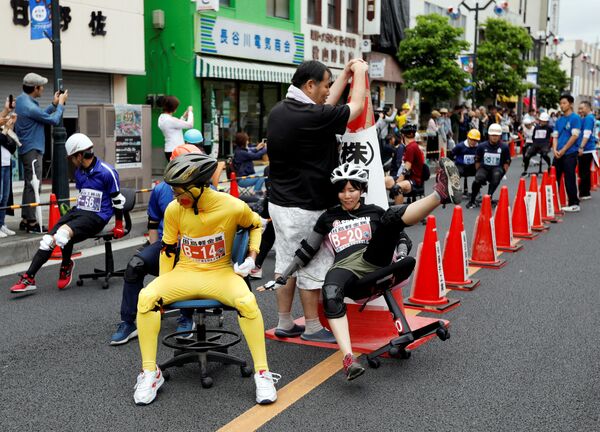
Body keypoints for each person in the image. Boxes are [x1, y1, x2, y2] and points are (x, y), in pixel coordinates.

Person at [263, 161, 461, 380]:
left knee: (390, 218)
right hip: (346, 267)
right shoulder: (328, 217)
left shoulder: (374, 212)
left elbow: (401, 236)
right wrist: (284, 276)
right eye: (342, 190)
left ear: (362, 190)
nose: (347, 196)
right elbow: (307, 249)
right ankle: (349, 359)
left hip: (374, 257)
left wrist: (402, 253)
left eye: (352, 190)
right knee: (330, 289)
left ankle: (440, 194)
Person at [132, 152, 279, 406]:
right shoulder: (174, 209)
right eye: (174, 191)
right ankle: (150, 373)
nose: (177, 197)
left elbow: (256, 224)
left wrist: (253, 257)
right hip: (185, 273)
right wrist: (164, 289)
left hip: (220, 273)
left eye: (180, 191)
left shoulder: (232, 205)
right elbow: (167, 249)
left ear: (200, 186)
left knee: (247, 301)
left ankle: (263, 373)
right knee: (146, 297)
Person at [266, 59, 369, 343]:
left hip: (280, 203)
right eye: (325, 85)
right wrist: (359, 72)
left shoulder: (281, 111)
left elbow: (323, 107)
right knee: (312, 263)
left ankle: (285, 322)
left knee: (286, 261)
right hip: (306, 206)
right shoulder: (310, 117)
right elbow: (356, 107)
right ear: (310, 85)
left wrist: (344, 75)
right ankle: (312, 326)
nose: (328, 91)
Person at [110, 145, 201, 346]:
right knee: (135, 265)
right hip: (166, 244)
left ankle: (186, 317)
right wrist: (157, 256)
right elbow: (153, 225)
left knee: (183, 269)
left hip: (195, 248)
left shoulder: (204, 189)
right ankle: (128, 322)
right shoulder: (160, 189)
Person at [10, 133, 124, 293]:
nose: (71, 161)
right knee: (48, 240)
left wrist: (119, 224)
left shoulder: (107, 172)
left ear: (79, 155)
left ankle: (65, 264)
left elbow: (118, 200)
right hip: (80, 210)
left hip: (98, 216)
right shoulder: (79, 172)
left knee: (63, 233)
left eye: (72, 157)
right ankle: (29, 278)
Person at [14, 72, 68, 233]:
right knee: (34, 185)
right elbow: (52, 120)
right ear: (35, 88)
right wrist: (60, 105)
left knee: (29, 184)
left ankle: (26, 218)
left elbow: (40, 116)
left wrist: (53, 104)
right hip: (32, 148)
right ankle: (31, 222)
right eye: (41, 86)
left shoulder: (23, 100)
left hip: (28, 147)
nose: (43, 89)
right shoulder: (29, 106)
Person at [465, 123, 511, 209]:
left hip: (497, 168)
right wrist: (478, 171)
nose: (494, 137)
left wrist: (503, 173)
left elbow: (507, 161)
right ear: (489, 135)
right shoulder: (482, 146)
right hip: (484, 168)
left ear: (500, 136)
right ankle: (472, 200)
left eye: (497, 135)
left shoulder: (504, 147)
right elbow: (477, 160)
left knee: (497, 175)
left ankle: (489, 196)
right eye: (492, 135)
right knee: (478, 179)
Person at [552, 94, 581, 212]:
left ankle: (574, 203)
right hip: (558, 153)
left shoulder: (575, 118)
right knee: (554, 178)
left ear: (570, 104)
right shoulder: (559, 120)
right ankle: (553, 201)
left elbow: (574, 136)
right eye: (561, 103)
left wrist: (564, 149)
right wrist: (554, 150)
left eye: (564, 103)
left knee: (569, 178)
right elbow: (555, 136)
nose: (562, 105)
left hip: (570, 153)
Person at [386, 124, 426, 205]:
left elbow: (406, 169)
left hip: (414, 180)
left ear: (403, 136)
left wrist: (397, 182)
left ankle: (398, 213)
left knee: (397, 188)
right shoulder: (411, 146)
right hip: (408, 177)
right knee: (383, 181)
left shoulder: (411, 147)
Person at [0, 98, 18, 237]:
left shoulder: (5, 129)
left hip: (6, 164)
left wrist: (9, 128)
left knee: (5, 197)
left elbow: (12, 146)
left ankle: (2, 224)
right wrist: (6, 128)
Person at [158, 96, 193, 162]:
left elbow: (175, 126)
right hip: (176, 150)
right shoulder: (170, 120)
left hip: (169, 149)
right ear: (173, 108)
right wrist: (190, 112)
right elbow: (190, 125)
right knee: (181, 171)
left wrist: (184, 116)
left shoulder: (161, 118)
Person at [449, 128, 480, 197]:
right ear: (468, 138)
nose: (473, 142)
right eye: (471, 139)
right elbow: (452, 154)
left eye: (475, 140)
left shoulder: (479, 147)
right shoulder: (460, 146)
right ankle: (453, 190)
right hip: (461, 165)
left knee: (480, 173)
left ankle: (476, 190)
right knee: (457, 172)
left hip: (472, 166)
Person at [577, 101, 596, 201]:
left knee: (583, 172)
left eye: (582, 108)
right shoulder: (588, 118)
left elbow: (586, 134)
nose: (580, 110)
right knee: (585, 172)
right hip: (587, 149)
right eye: (579, 108)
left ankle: (584, 192)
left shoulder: (588, 118)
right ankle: (585, 192)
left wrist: (581, 147)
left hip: (586, 149)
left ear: (588, 108)